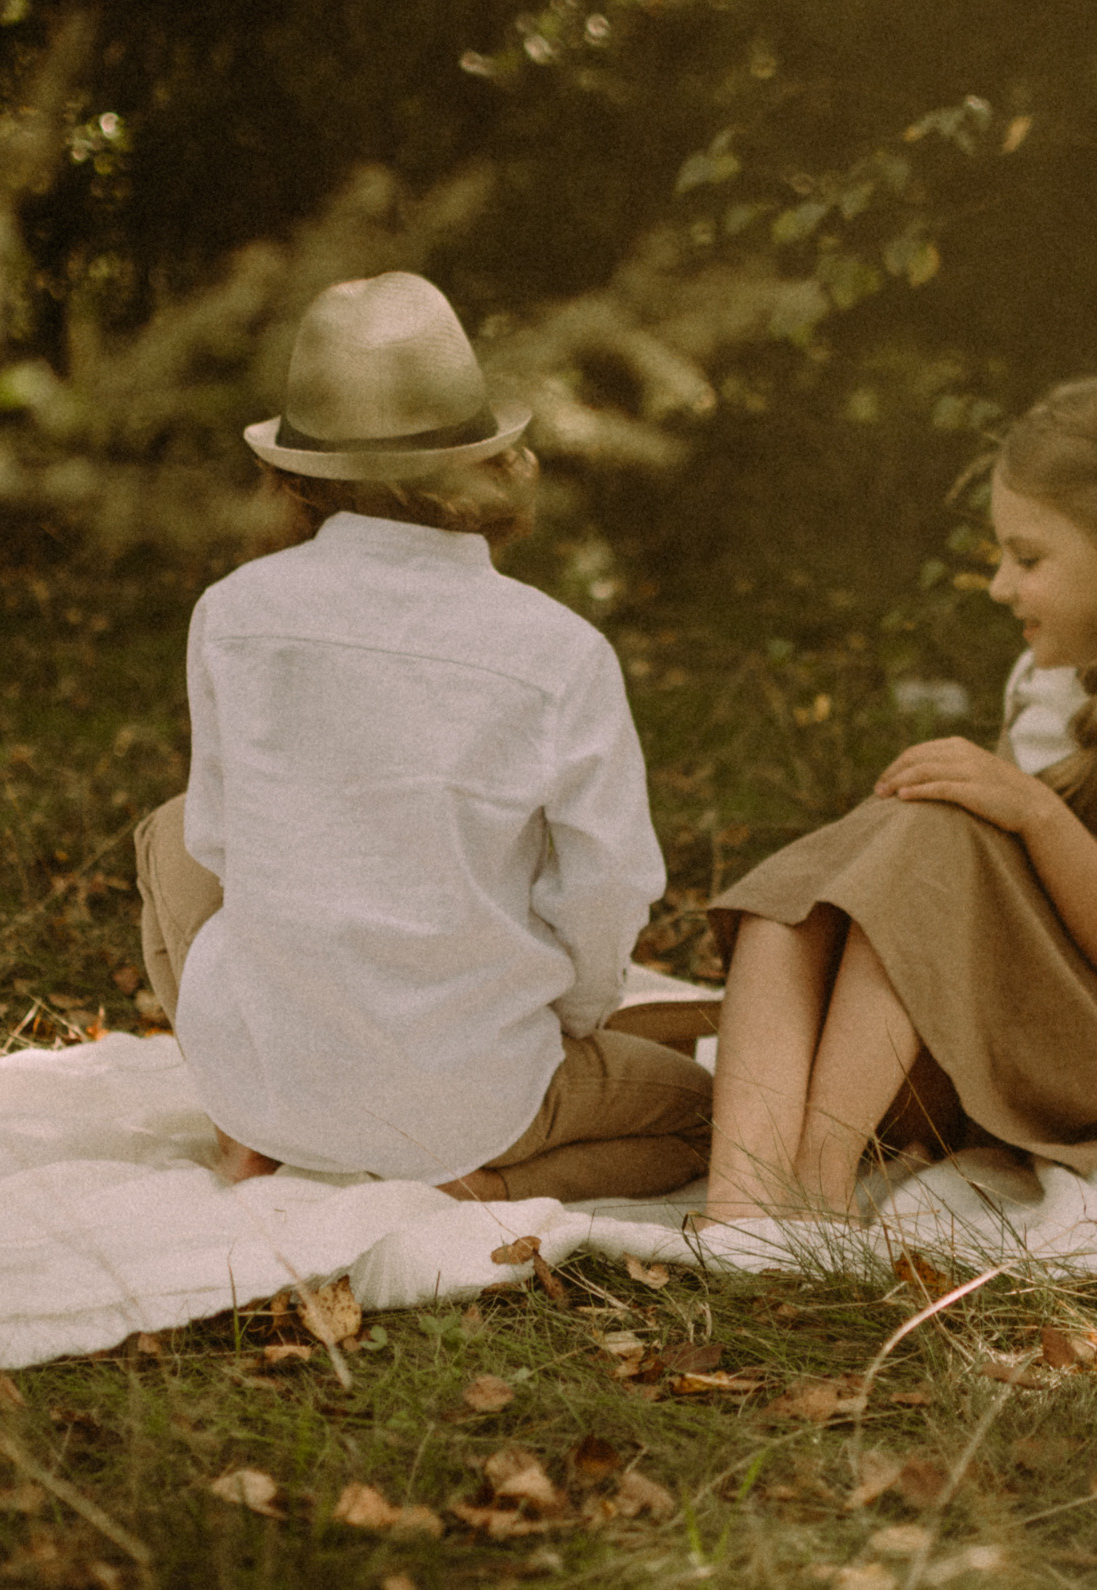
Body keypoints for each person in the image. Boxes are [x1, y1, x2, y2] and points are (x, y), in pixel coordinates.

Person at [133, 271, 712, 1203]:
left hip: (279, 1073)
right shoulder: (559, 652)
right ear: (487, 456)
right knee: (703, 1117)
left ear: (294, 470)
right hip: (468, 1093)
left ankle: (249, 1131)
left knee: (172, 835)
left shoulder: (233, 613)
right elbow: (607, 885)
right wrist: (577, 1017)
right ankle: (476, 1193)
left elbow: (221, 841)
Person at [701, 372, 1097, 1225]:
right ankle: (741, 1209)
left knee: (938, 838)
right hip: (1000, 1013)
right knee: (802, 900)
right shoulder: (1041, 676)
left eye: (1028, 559)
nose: (1001, 586)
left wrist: (1033, 812)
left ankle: (817, 1192)